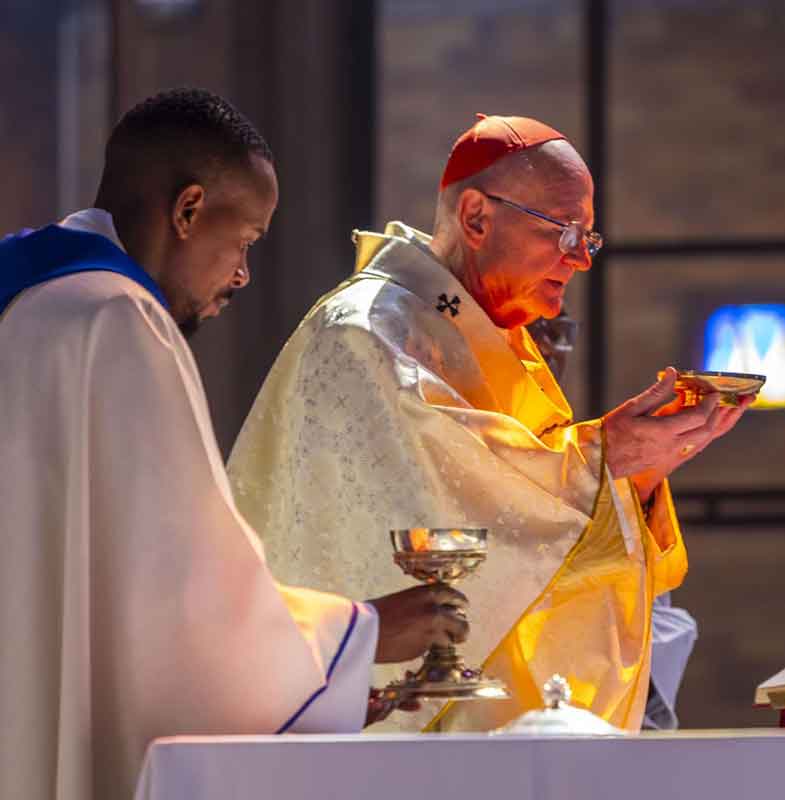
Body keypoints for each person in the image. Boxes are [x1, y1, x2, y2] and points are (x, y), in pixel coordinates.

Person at [0, 88, 468, 800]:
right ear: (188, 210)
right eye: (245, 241)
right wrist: (361, 633)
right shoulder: (117, 321)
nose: (243, 274)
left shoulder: (29, 292)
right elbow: (181, 608)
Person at [228, 114, 752, 733]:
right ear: (477, 217)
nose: (580, 259)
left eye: (590, 238)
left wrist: (636, 476)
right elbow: (468, 505)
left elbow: (533, 507)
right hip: (393, 720)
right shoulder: (365, 332)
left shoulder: (488, 334)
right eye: (564, 233)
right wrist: (606, 457)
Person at [526, 310, 699, 730]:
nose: (547, 345)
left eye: (560, 329)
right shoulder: (457, 444)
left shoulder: (589, 451)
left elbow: (652, 615)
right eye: (529, 329)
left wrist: (640, 486)